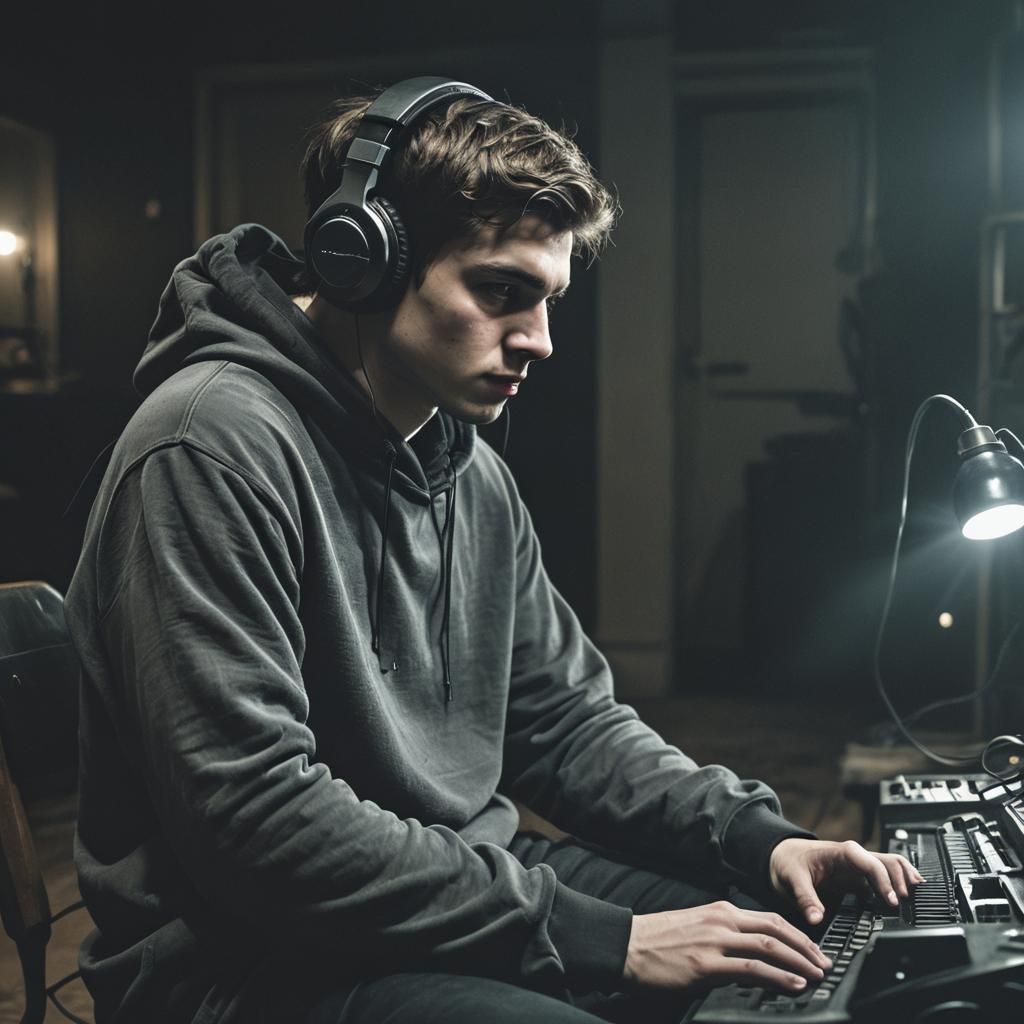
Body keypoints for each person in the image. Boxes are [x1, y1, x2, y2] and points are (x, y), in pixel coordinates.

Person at [64, 78, 921, 1024]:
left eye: (548, 298)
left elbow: (563, 724)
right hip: (244, 959)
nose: (541, 341)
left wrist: (756, 838)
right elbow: (254, 825)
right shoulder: (206, 447)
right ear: (365, 263)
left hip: (456, 877)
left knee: (797, 946)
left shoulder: (466, 469)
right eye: (502, 292)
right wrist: (605, 940)